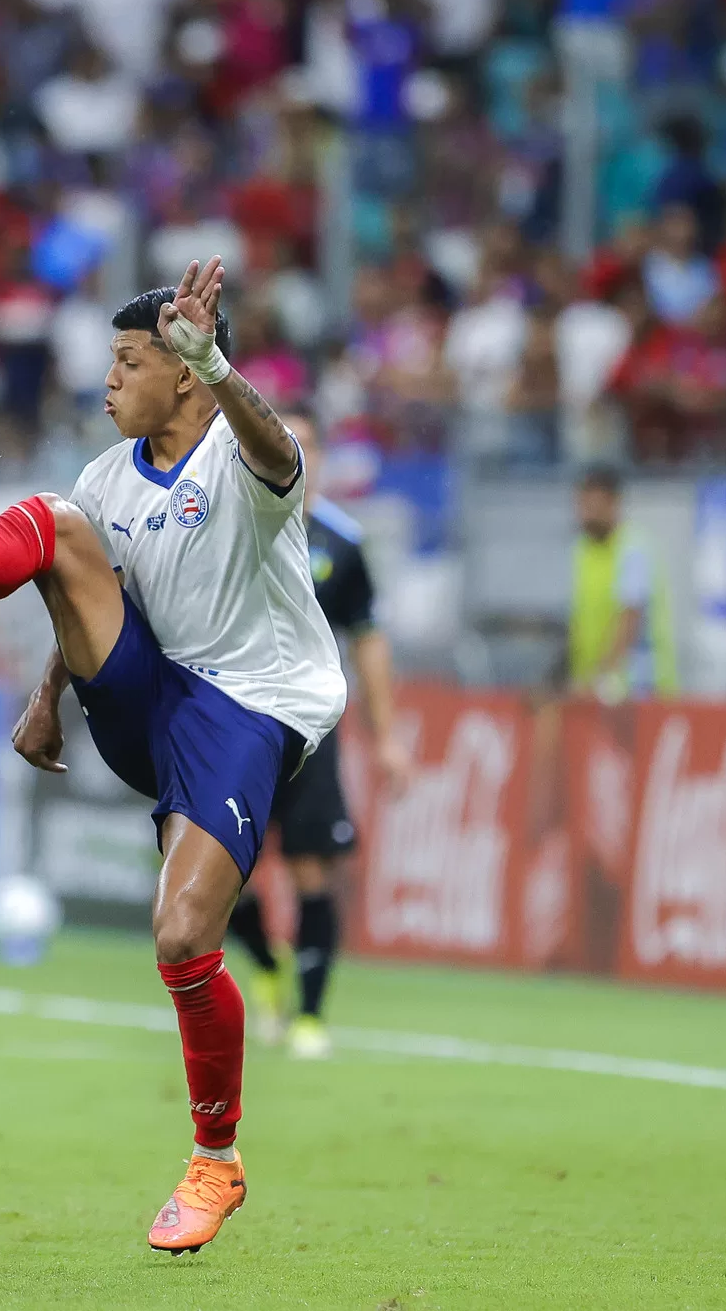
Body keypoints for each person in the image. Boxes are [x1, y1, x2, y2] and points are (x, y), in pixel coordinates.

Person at [0, 258, 345, 1255]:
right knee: (54, 524)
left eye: (127, 363)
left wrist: (219, 365)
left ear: (186, 375)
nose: (107, 382)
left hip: (249, 710)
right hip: (147, 695)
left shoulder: (239, 459)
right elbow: (84, 592)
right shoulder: (104, 478)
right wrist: (44, 699)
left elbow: (279, 452)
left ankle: (215, 1159)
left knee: (178, 935)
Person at [223, 409, 411, 1061]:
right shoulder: (233, 526)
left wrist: (386, 734)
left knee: (310, 871)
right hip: (238, 727)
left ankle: (309, 1014)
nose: (291, 454)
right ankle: (268, 966)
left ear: (322, 459)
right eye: (280, 441)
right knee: (223, 878)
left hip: (311, 732)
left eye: (303, 445)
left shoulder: (342, 542)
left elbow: (370, 640)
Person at [569, 466, 677, 701]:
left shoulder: (632, 548)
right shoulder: (584, 550)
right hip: (600, 688)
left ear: (612, 503)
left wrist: (602, 676)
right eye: (581, 505)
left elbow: (630, 618)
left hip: (641, 687)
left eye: (592, 506)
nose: (585, 514)